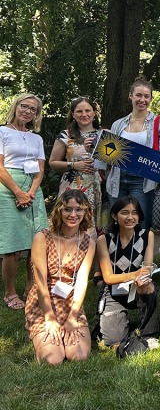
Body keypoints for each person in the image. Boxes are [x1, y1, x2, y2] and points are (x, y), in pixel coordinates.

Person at [25, 190, 96, 364]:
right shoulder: (42, 238)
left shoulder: (89, 242)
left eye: (78, 209)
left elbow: (81, 282)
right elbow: (40, 281)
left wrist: (73, 316)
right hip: (43, 301)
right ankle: (44, 334)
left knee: (78, 356)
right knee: (53, 359)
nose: (73, 214)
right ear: (59, 211)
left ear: (85, 212)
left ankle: (65, 333)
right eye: (67, 209)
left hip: (70, 301)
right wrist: (49, 317)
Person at [107, 77, 160, 230]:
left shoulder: (159, 122)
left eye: (146, 96)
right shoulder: (118, 124)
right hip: (117, 178)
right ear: (130, 96)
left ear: (151, 98)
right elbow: (109, 154)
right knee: (118, 222)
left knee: (140, 223)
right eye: (138, 95)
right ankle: (118, 253)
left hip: (143, 181)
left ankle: (141, 253)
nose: (142, 99)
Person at [1, 93, 47, 309]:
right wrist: (18, 192)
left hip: (33, 189)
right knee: (12, 246)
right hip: (9, 187)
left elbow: (40, 168)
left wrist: (31, 191)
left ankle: (31, 286)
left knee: (36, 242)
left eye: (33, 109)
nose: (28, 111)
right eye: (24, 106)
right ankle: (10, 292)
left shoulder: (36, 138)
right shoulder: (2, 132)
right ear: (16, 106)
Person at [95, 196, 159, 349]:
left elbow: (147, 268)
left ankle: (149, 334)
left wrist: (141, 277)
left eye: (134, 213)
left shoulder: (146, 235)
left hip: (137, 287)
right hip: (113, 291)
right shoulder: (104, 239)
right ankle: (116, 323)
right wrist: (135, 274)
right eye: (125, 213)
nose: (130, 217)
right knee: (113, 340)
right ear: (114, 216)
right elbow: (109, 278)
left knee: (148, 286)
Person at [48, 96, 103, 231]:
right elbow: (52, 163)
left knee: (90, 224)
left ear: (94, 113)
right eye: (79, 111)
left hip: (96, 185)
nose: (84, 114)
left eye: (88, 110)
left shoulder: (104, 134)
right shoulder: (66, 135)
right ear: (73, 115)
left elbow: (113, 163)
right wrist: (73, 165)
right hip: (72, 185)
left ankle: (90, 251)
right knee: (70, 221)